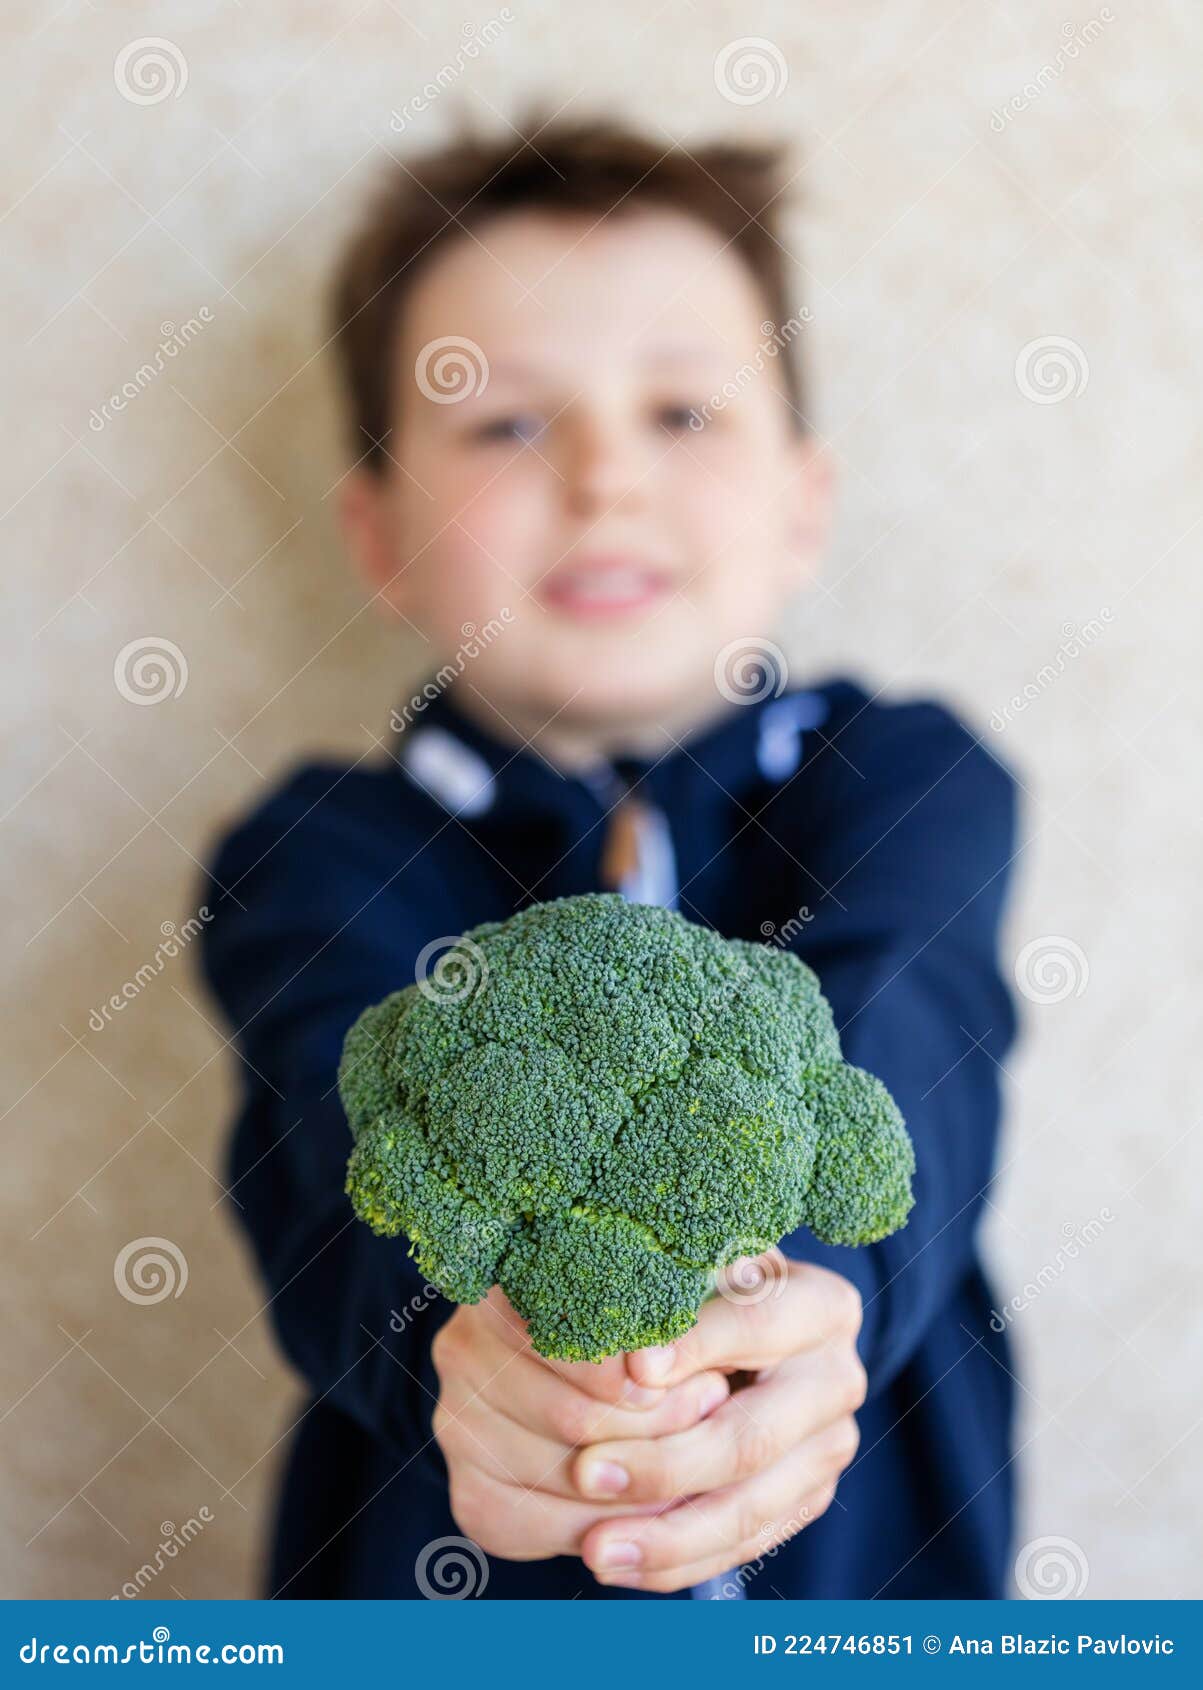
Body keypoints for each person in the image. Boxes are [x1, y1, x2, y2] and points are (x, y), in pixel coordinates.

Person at [199, 113, 1020, 1600]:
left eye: (685, 413)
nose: (604, 477)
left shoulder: (906, 783)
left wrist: (822, 1292)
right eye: (507, 421)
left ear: (802, 504)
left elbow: (910, 1022)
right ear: (376, 534)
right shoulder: (317, 853)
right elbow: (333, 1149)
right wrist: (461, 1354)